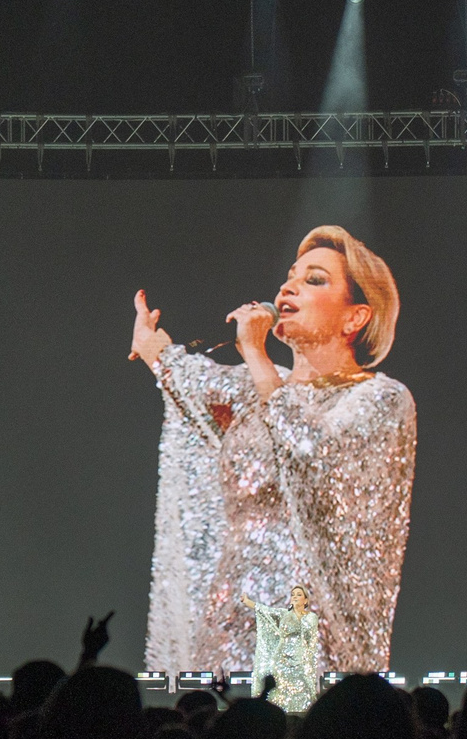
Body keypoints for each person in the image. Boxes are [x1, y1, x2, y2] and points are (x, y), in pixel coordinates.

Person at [131, 224, 417, 674]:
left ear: (355, 317)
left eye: (315, 279)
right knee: (220, 732)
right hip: (229, 617)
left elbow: (308, 451)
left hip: (302, 620)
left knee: (282, 733)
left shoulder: (378, 398)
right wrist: (151, 345)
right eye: (290, 276)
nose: (288, 286)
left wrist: (258, 355)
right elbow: (185, 378)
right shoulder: (254, 389)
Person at [246, 584, 323, 715]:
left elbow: (310, 636)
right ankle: (274, 715)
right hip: (281, 657)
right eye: (293, 595)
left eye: (299, 595)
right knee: (280, 687)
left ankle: (303, 716)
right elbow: (266, 611)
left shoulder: (310, 617)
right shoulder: (284, 614)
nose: (295, 597)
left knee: (302, 686)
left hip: (299, 657)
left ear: (305, 600)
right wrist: (248, 602)